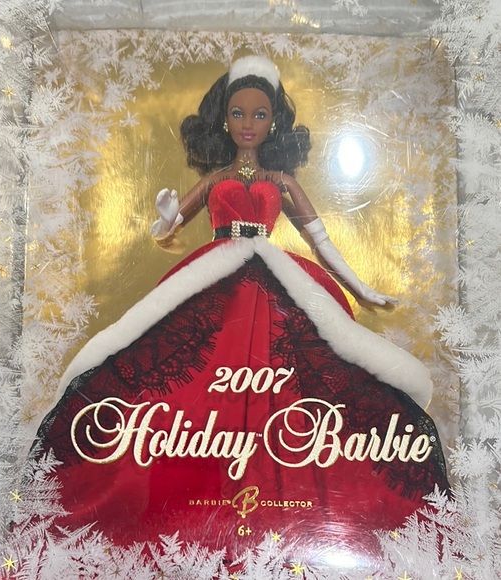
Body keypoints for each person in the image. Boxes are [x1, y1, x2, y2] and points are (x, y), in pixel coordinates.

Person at [32, 56, 449, 566]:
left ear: (274, 122)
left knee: (297, 375)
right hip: (216, 276)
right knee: (188, 376)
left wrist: (361, 289)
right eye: (237, 113)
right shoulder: (215, 180)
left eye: (259, 114)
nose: (248, 124)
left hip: (273, 279)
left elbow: (321, 244)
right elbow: (166, 231)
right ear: (223, 119)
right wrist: (164, 218)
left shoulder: (283, 181)